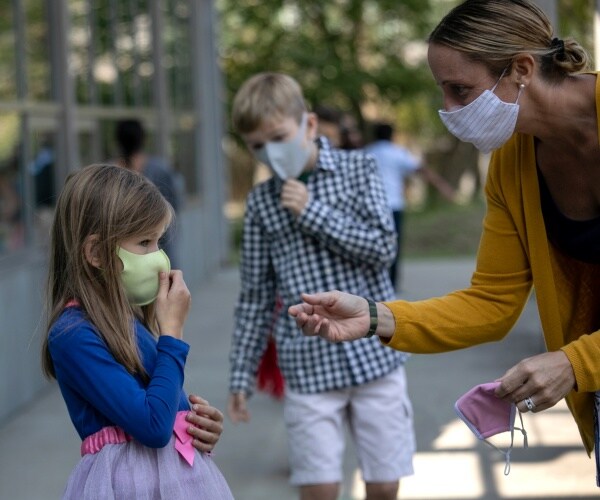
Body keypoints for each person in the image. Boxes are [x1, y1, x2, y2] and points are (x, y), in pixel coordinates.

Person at [289, 0, 600, 485]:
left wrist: (576, 361)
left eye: (461, 90)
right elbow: (492, 303)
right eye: (444, 93)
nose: (449, 111)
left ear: (521, 69)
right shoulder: (511, 165)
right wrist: (375, 315)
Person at [228, 72, 415, 500]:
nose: (271, 153)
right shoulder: (260, 203)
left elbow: (384, 247)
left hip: (375, 355)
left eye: (278, 137)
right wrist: (241, 376)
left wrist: (313, 212)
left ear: (308, 126)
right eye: (258, 146)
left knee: (385, 484)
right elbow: (255, 296)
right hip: (307, 365)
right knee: (318, 489)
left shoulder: (359, 168)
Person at [41, 164, 233, 499]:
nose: (158, 257)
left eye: (159, 241)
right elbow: (152, 426)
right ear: (97, 253)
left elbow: (163, 408)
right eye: (144, 242)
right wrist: (171, 334)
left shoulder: (129, 320)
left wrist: (194, 422)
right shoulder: (73, 334)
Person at [366, 122, 455, 291]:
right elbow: (421, 170)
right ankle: (391, 285)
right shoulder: (398, 153)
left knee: (371, 244)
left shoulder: (366, 152)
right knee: (393, 245)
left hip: (371, 206)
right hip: (393, 206)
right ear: (392, 135)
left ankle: (372, 282)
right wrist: (444, 187)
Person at [115, 118, 183, 268]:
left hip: (123, 257)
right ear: (143, 139)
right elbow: (175, 208)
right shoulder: (160, 169)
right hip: (162, 246)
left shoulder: (111, 174)